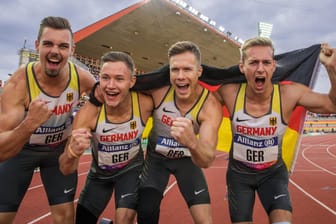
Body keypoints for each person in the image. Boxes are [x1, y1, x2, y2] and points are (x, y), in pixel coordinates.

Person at [213, 37, 336, 223]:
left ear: (274, 66)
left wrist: (331, 69)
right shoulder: (228, 92)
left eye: (266, 62)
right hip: (239, 176)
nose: (260, 68)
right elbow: (197, 99)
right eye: (253, 62)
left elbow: (331, 105)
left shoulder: (289, 94)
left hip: (273, 175)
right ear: (242, 67)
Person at [0, 16, 96, 224]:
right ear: (37, 46)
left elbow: (109, 98)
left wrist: (85, 123)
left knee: (65, 218)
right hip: (21, 151)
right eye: (48, 44)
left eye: (63, 46)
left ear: (72, 50)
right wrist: (29, 124)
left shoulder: (82, 77)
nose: (55, 51)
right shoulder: (18, 84)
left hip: (58, 152)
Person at [59, 51, 154, 223]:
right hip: (99, 175)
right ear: (99, 80)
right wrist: (72, 153)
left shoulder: (144, 103)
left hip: (131, 170)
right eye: (105, 78)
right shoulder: (88, 114)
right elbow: (65, 169)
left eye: (119, 79)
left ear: (132, 81)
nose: (111, 85)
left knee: (123, 219)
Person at [136, 41, 223, 224]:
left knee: (204, 220)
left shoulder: (210, 106)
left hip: (187, 160)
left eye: (187, 69)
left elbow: (206, 159)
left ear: (199, 72)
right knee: (145, 211)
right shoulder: (159, 92)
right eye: (175, 70)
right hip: (156, 159)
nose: (180, 76)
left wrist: (192, 141)